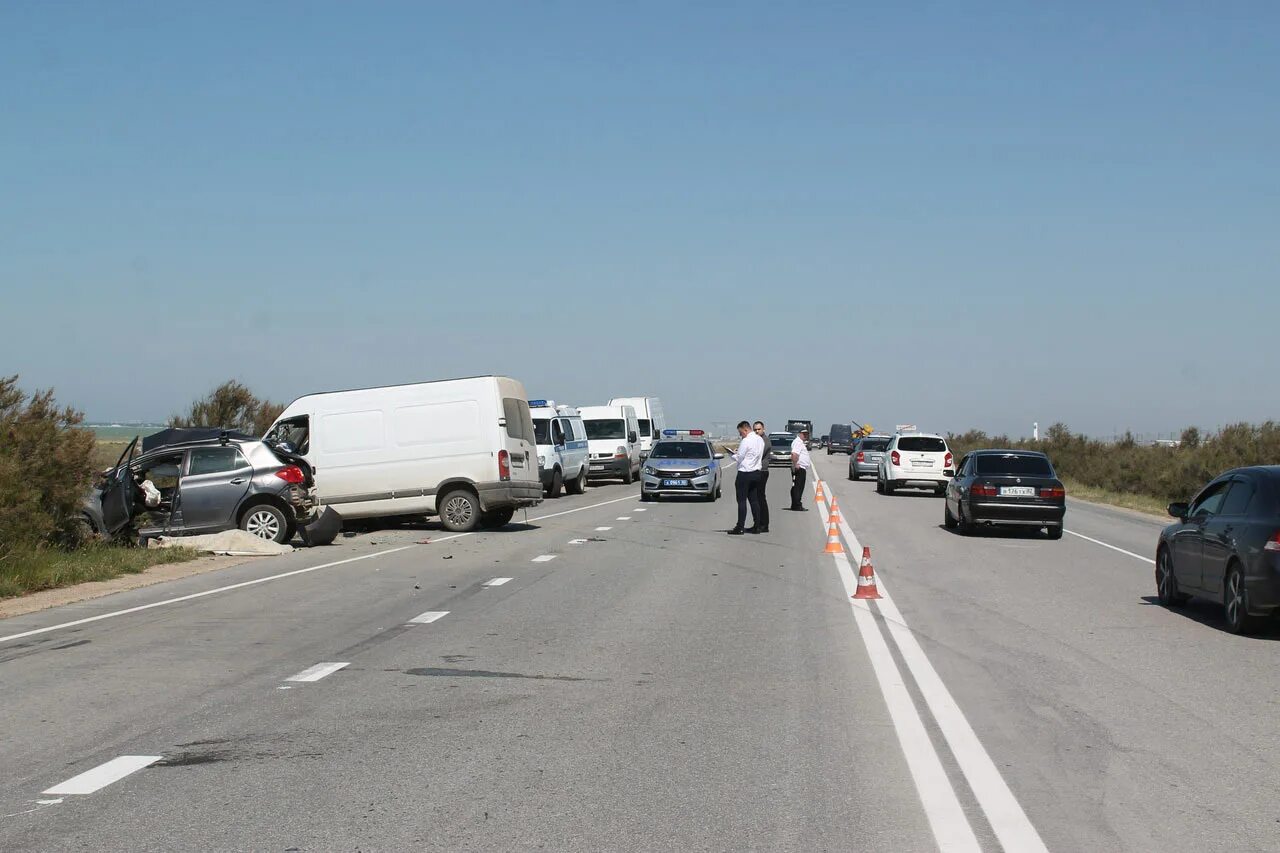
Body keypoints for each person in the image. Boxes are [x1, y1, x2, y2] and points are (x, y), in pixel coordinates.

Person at [729, 420, 764, 535]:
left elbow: (739, 458)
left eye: (741, 433)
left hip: (745, 473)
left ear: (745, 429)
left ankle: (740, 526)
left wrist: (731, 454)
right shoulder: (760, 439)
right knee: (754, 500)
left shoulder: (746, 440)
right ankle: (757, 525)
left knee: (741, 501)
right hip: (756, 472)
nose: (740, 435)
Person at [752, 421, 770, 533]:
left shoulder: (765, 441)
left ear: (763, 429)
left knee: (760, 498)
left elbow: (757, 454)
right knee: (757, 498)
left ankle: (763, 524)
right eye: (755, 429)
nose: (757, 431)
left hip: (762, 471)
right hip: (757, 470)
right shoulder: (757, 440)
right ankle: (758, 523)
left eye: (759, 429)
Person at [790, 428, 812, 510]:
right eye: (804, 434)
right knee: (798, 487)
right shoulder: (798, 442)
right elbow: (794, 454)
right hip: (799, 468)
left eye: (807, 434)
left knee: (797, 487)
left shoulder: (800, 442)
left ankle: (795, 504)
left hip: (801, 467)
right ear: (799, 433)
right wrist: (795, 464)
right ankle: (797, 505)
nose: (805, 435)